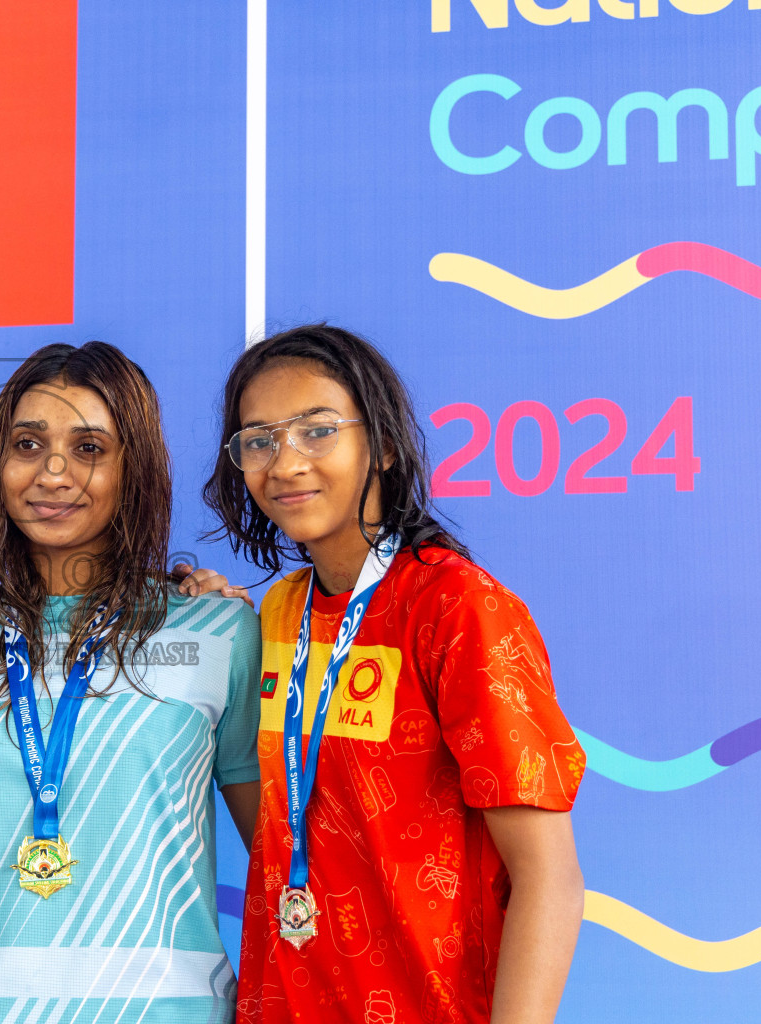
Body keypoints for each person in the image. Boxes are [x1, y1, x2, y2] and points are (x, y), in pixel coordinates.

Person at [202, 324, 586, 1024]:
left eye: (316, 431)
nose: (284, 463)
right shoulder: (278, 615)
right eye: (257, 441)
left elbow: (548, 877)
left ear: (379, 444)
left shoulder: (457, 608)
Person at [0, 341, 262, 1023]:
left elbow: (283, 858)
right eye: (28, 444)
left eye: (89, 448)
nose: (53, 473)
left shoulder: (218, 633)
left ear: (134, 470)